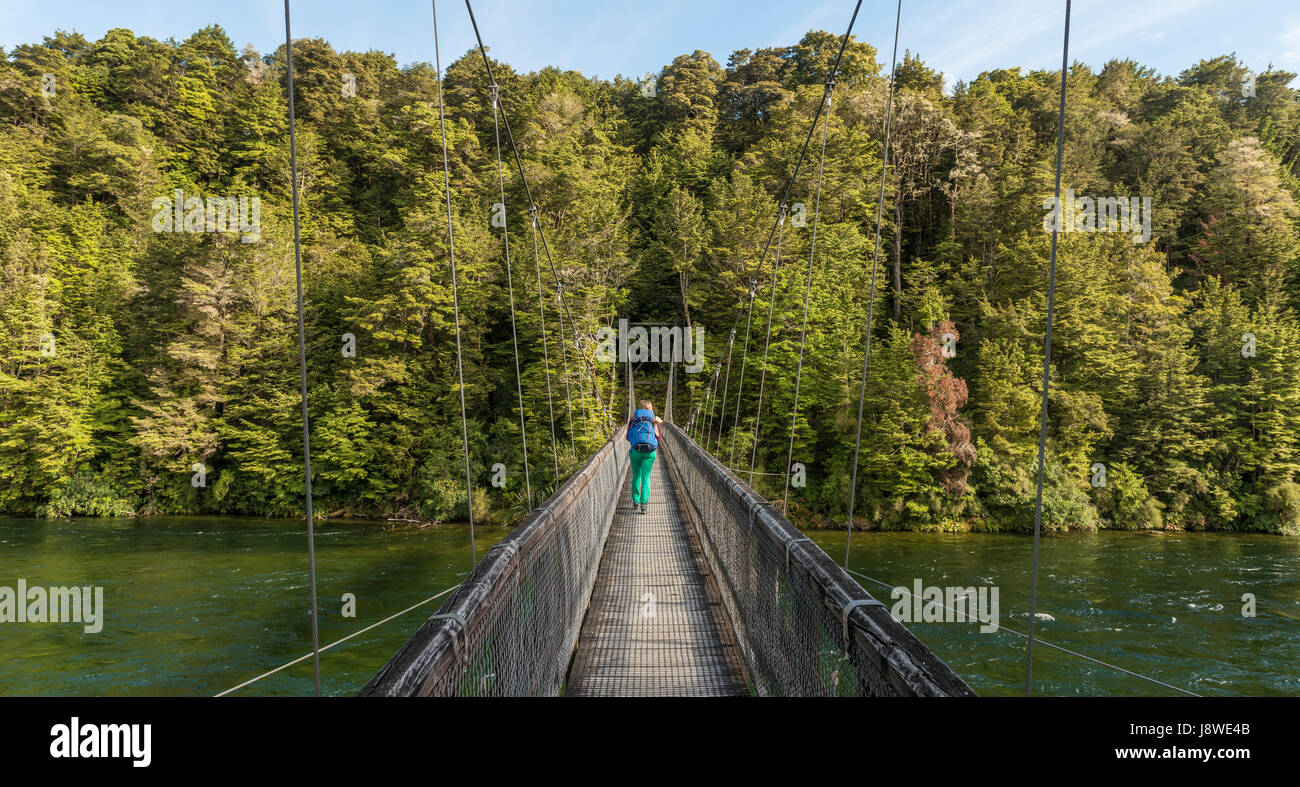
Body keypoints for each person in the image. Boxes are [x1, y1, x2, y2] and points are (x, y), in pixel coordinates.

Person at [626, 400, 662, 515]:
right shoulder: (654, 419)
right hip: (649, 453)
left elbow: (628, 437)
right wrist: (656, 424)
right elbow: (659, 439)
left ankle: (635, 501)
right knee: (646, 477)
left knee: (636, 475)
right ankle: (644, 505)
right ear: (649, 408)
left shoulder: (633, 419)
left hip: (635, 451)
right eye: (651, 407)